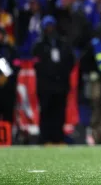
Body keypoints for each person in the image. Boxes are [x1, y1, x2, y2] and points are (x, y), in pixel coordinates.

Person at [32, 16, 75, 144]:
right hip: (45, 85)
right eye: (47, 26)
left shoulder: (63, 43)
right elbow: (37, 64)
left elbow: (70, 61)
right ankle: (45, 138)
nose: (50, 29)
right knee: (46, 112)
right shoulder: (39, 45)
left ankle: (58, 138)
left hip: (61, 84)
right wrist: (51, 71)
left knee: (59, 112)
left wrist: (61, 72)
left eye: (52, 26)